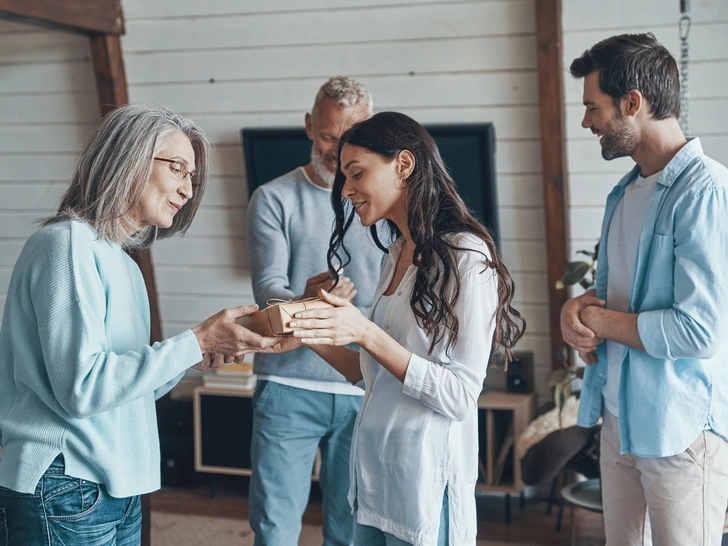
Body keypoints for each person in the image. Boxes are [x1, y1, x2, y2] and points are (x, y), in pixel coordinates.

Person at [0, 104, 279, 546]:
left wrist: (194, 355)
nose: (187, 189)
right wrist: (194, 339)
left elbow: (123, 388)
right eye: (177, 168)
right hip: (67, 482)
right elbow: (83, 388)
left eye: (192, 176)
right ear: (129, 159)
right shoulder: (69, 244)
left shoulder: (122, 262)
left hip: (111, 486)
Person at [277, 111, 525, 546]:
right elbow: (371, 375)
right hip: (375, 479)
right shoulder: (395, 255)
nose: (346, 188)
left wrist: (364, 331)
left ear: (404, 165)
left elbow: (460, 396)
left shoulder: (466, 256)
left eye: (356, 173)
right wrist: (307, 328)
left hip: (426, 487)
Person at [561, 33, 728, 545]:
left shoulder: (705, 191)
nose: (586, 121)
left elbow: (699, 331)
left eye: (593, 107)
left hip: (680, 436)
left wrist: (599, 321)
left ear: (633, 102)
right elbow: (610, 301)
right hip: (620, 422)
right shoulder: (625, 192)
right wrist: (575, 311)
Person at [246, 77, 384, 546]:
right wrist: (305, 301)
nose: (338, 150)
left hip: (363, 385)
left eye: (351, 137)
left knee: (352, 528)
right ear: (309, 126)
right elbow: (268, 292)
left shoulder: (384, 206)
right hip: (287, 385)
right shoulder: (272, 198)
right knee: (274, 526)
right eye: (328, 136)